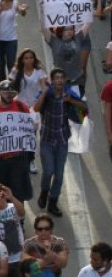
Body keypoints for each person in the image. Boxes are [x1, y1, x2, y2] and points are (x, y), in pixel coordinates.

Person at [34, 68, 86, 216]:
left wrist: (71, 100)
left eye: (62, 78)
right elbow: (36, 108)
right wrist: (44, 91)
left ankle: (53, 202)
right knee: (48, 170)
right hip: (47, 140)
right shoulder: (47, 93)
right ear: (52, 80)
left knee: (59, 174)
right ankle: (44, 191)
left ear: (65, 80)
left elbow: (84, 107)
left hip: (62, 140)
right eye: (56, 78)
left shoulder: (69, 93)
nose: (59, 81)